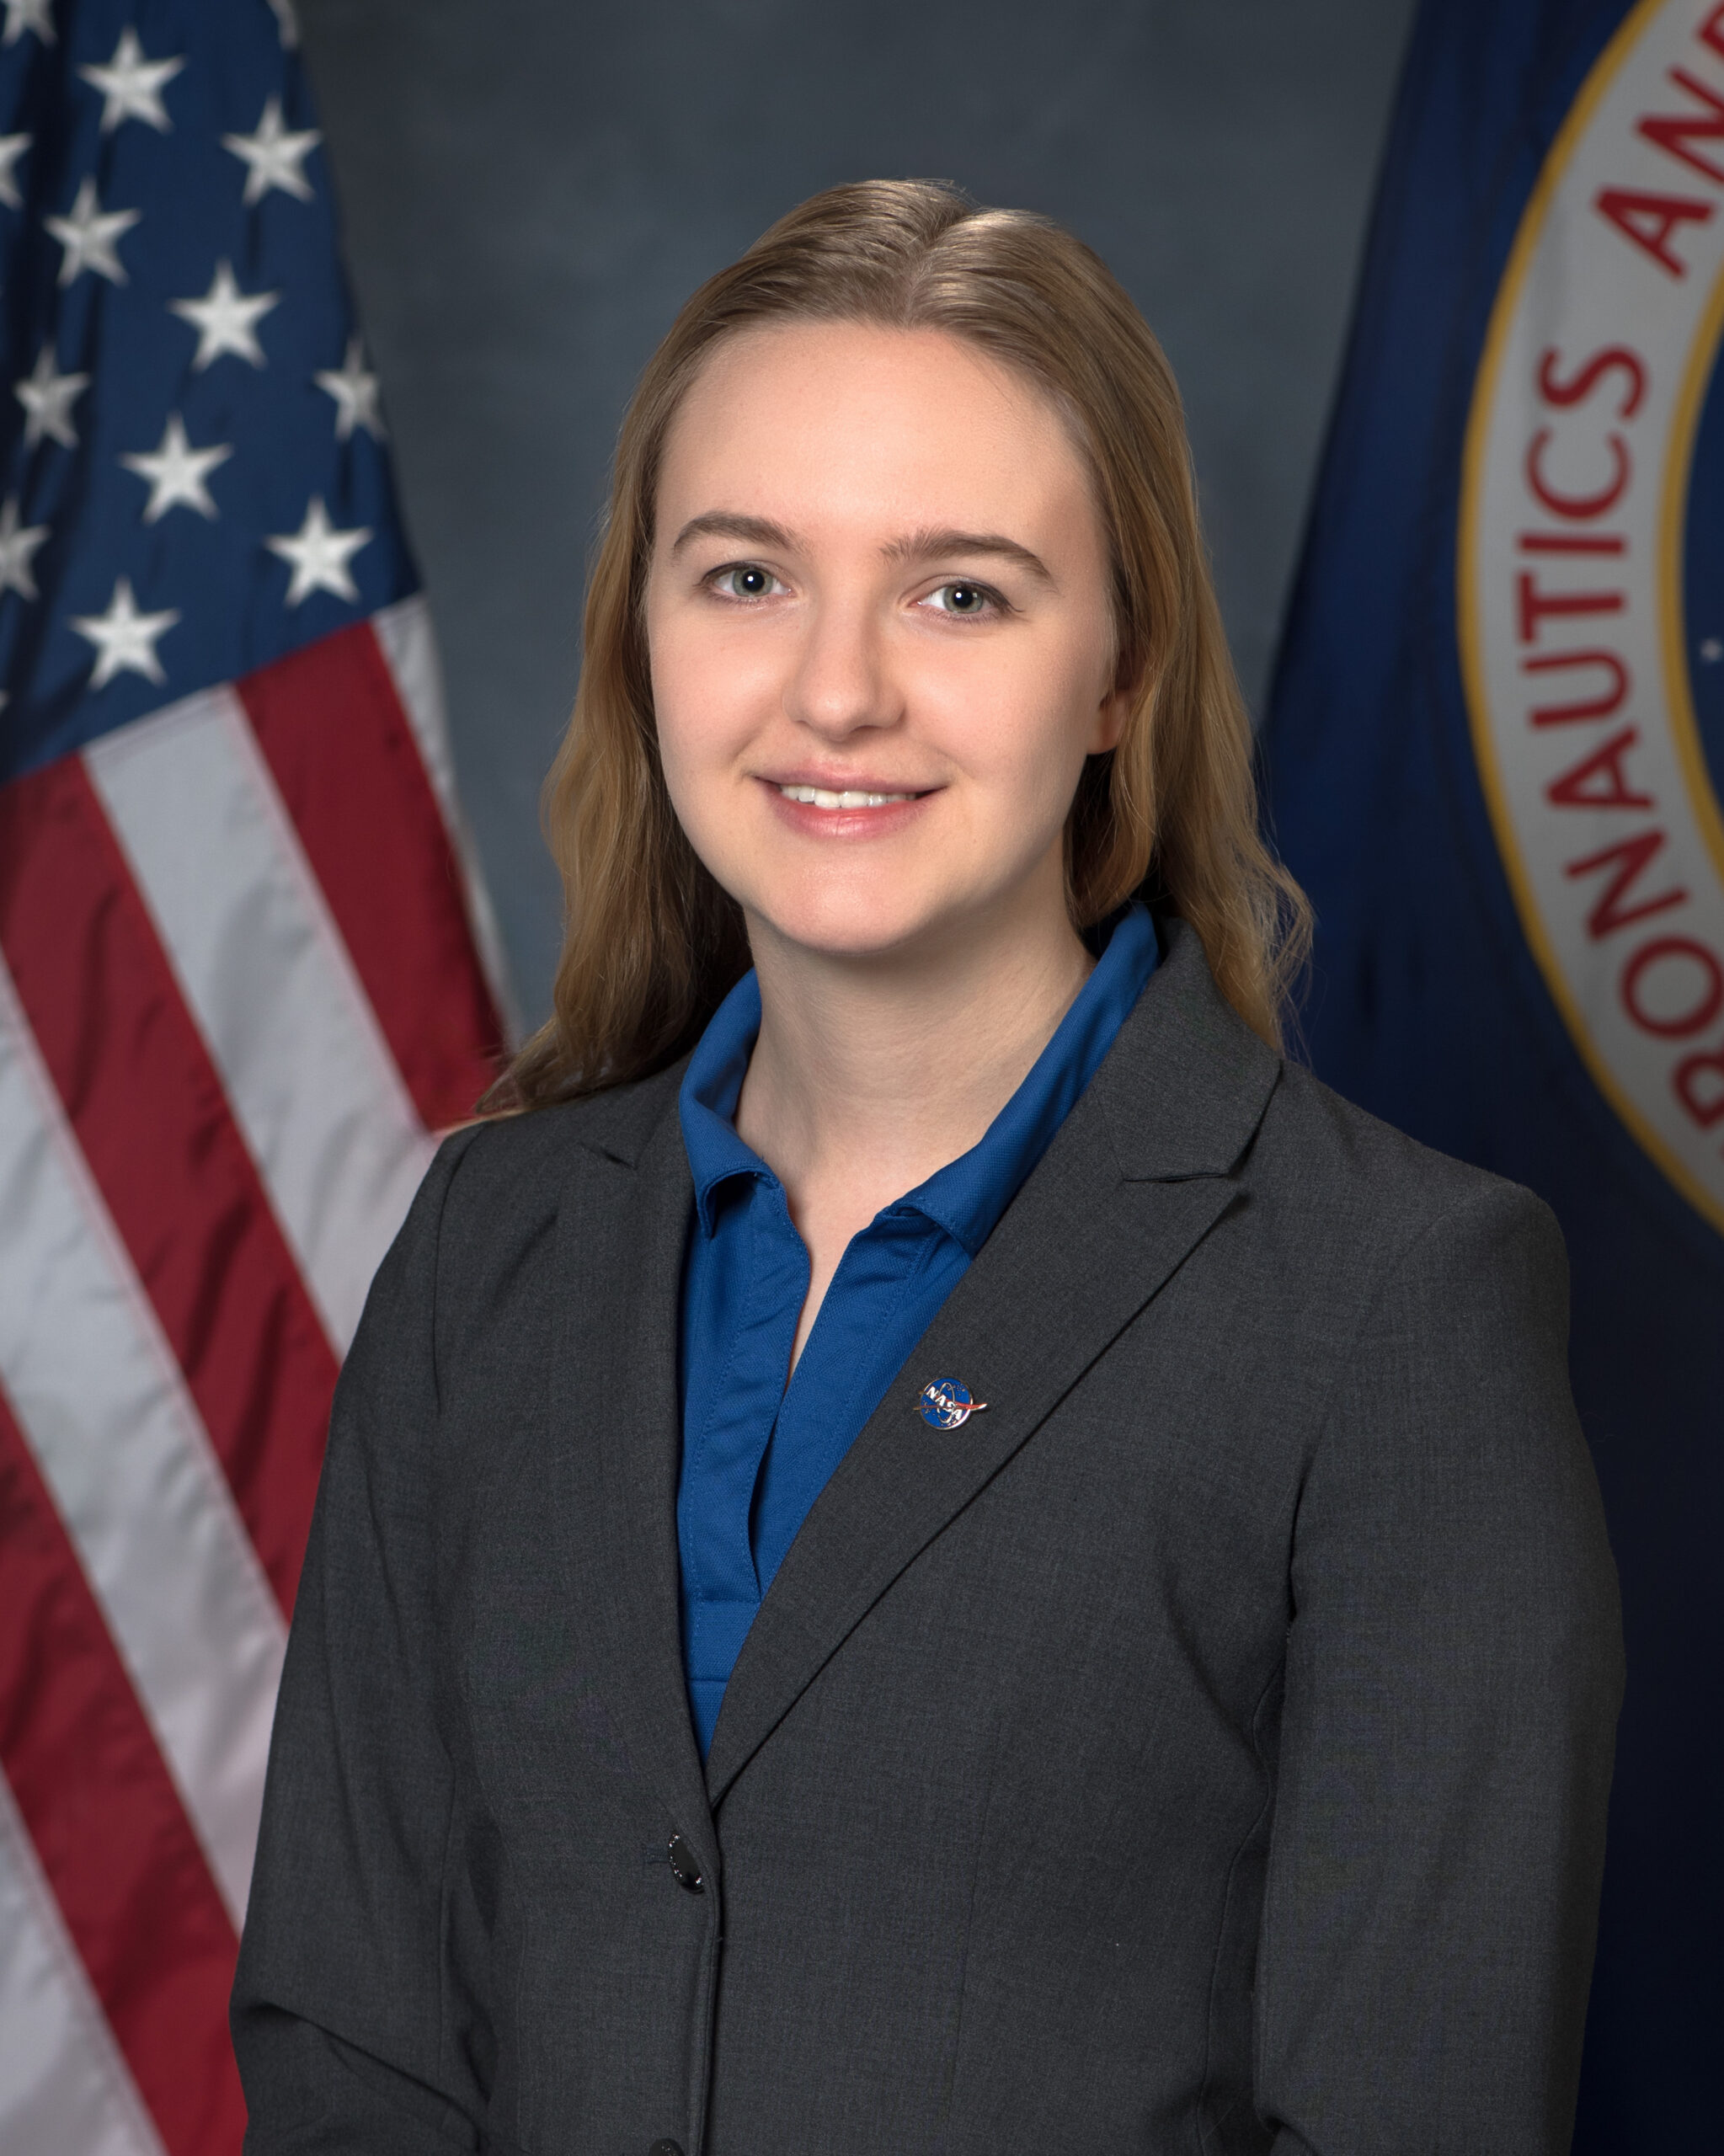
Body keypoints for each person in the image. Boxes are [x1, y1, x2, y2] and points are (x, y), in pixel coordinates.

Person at [232, 181, 1623, 2156]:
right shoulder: (491, 1245)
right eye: (745, 577)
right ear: (643, 633)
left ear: (1120, 674)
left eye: (959, 589)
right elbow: (348, 2039)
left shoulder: (1391, 1301)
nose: (837, 691)